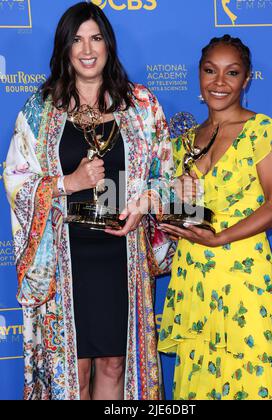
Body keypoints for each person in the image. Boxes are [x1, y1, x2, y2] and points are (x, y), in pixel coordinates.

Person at [4, 2, 173, 400]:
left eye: (95, 38)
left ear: (108, 45)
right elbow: (16, 181)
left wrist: (145, 204)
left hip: (122, 256)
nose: (87, 49)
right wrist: (69, 181)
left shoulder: (141, 107)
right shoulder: (40, 110)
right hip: (65, 258)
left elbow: (168, 177)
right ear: (65, 49)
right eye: (77, 40)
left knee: (117, 363)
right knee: (72, 369)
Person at [157, 35, 272, 400]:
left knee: (253, 372)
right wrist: (173, 207)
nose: (219, 82)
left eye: (231, 73)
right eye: (210, 71)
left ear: (246, 79)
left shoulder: (265, 133)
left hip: (242, 273)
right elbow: (184, 213)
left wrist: (220, 237)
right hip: (193, 274)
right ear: (199, 75)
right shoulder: (183, 142)